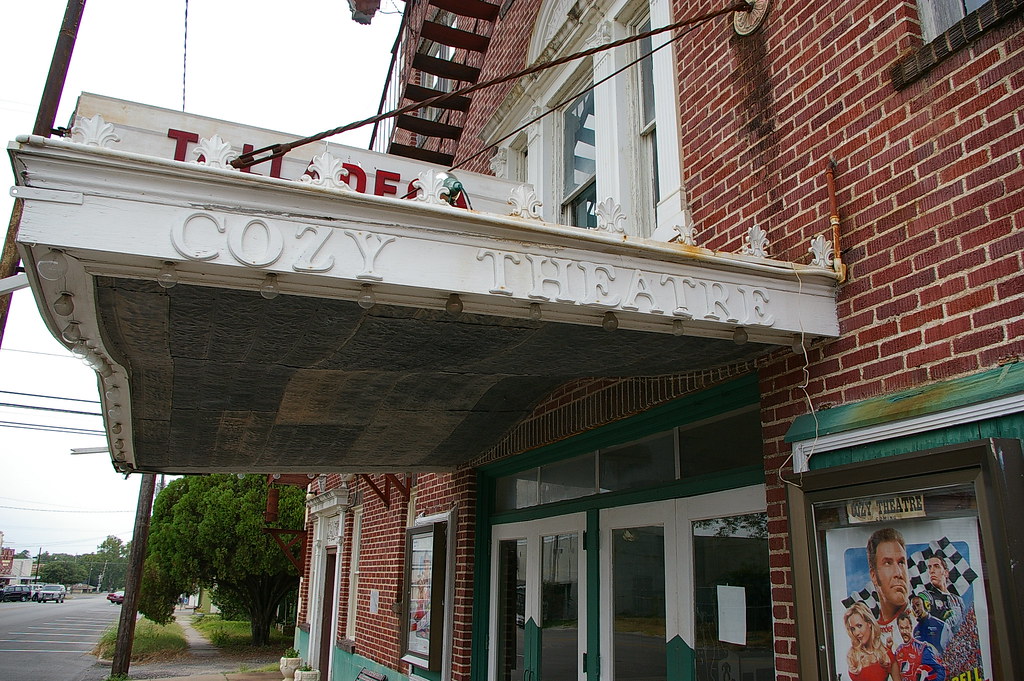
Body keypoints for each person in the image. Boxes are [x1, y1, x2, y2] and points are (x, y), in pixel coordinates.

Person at [867, 527, 912, 651]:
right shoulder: (868, 637)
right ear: (874, 576)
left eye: (901, 562)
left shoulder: (927, 623)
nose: (898, 573)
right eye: (888, 563)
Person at [844, 601, 898, 681]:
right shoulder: (853, 657)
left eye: (859, 626)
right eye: (853, 629)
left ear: (869, 623)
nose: (856, 633)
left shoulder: (886, 655)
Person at [894, 612, 946, 681]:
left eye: (907, 628)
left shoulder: (921, 648)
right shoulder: (898, 651)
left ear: (911, 628)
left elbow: (940, 669)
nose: (904, 631)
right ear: (898, 629)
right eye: (902, 628)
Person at [923, 553, 964, 635]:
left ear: (946, 573)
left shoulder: (958, 600)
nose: (931, 571)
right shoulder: (927, 597)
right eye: (929, 567)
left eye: (936, 566)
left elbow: (962, 624)